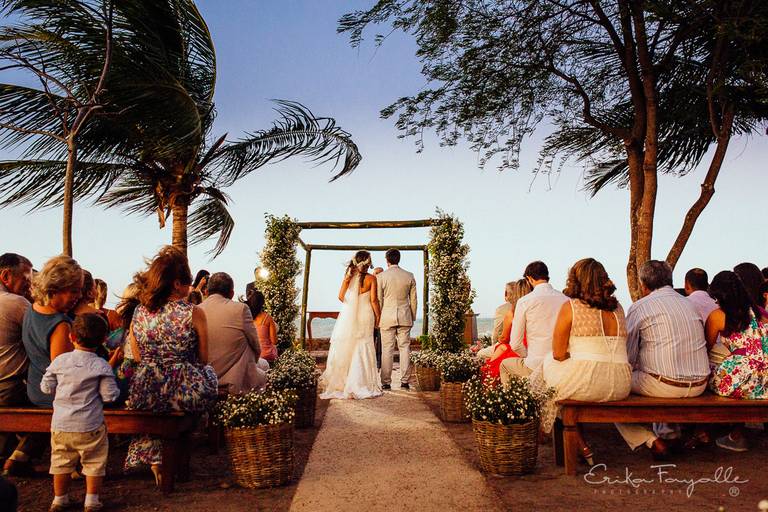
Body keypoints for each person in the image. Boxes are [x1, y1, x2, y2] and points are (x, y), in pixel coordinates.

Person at [124, 247, 217, 484]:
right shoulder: (194, 312)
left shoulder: (139, 312)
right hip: (182, 389)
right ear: (177, 284)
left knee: (159, 405)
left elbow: (136, 357)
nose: (189, 289)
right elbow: (204, 358)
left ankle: (155, 458)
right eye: (187, 283)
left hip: (145, 389)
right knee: (209, 376)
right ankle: (177, 455)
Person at [532, 259, 631, 464]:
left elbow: (559, 353)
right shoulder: (618, 308)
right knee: (554, 383)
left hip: (590, 381)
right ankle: (579, 443)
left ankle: (577, 444)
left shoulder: (572, 307)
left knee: (548, 371)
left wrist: (573, 357)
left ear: (576, 280)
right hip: (621, 383)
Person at [614, 260, 709, 459]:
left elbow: (628, 356)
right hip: (700, 383)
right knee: (660, 371)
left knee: (612, 386)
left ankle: (650, 440)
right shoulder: (689, 304)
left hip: (665, 385)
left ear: (643, 285)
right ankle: (669, 435)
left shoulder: (640, 306)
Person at [41, 313, 120, 512]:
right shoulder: (101, 365)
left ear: (71, 337)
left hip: (61, 425)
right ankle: (92, 501)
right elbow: (109, 396)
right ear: (103, 340)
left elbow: (46, 387)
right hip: (90, 425)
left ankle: (60, 499)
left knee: (60, 461)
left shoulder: (59, 361)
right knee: (94, 462)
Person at [705, 271, 768, 451]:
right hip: (764, 378)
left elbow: (705, 348)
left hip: (740, 378)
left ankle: (707, 431)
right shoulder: (758, 312)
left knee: (706, 377)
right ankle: (736, 433)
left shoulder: (718, 316)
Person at [0, 253, 42, 477]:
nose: (28, 286)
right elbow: (42, 335)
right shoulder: (15, 303)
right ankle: (20, 455)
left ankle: (11, 456)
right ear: (6, 276)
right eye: (26, 281)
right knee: (53, 404)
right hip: (9, 387)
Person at [22, 256, 83, 410]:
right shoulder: (60, 325)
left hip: (35, 390)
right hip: (53, 398)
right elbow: (64, 375)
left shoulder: (33, 308)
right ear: (55, 289)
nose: (79, 296)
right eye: (74, 291)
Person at [320, 251, 382, 399]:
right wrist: (378, 316)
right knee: (364, 345)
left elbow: (341, 296)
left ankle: (345, 381)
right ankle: (362, 383)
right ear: (367, 262)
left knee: (350, 344)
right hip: (366, 314)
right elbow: (374, 300)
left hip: (351, 314)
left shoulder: (348, 277)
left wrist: (353, 304)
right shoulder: (372, 279)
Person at [500, 261, 568, 383]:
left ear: (529, 279)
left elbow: (515, 343)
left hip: (534, 364)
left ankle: (512, 401)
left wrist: (529, 356)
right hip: (559, 364)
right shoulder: (566, 300)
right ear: (547, 277)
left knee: (504, 365)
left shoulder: (525, 301)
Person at [200, 273, 269, 394]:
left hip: (203, 378)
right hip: (234, 380)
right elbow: (256, 346)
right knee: (264, 366)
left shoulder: (197, 310)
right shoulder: (241, 309)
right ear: (231, 293)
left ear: (206, 291)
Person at [377, 249, 417, 391]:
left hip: (386, 317)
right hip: (404, 316)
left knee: (386, 349)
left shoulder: (381, 277)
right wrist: (412, 316)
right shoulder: (409, 276)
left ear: (387, 260)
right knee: (404, 348)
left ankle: (386, 382)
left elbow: (379, 300)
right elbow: (413, 300)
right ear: (399, 259)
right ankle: (405, 381)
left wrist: (378, 317)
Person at [481, 279, 532, 380]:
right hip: (532, 349)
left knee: (490, 357)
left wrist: (500, 342)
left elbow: (504, 338)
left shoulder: (512, 312)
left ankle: (492, 386)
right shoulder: (534, 310)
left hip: (517, 349)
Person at [244, 290, 278, 363]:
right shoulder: (267, 318)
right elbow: (274, 341)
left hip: (252, 356)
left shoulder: (247, 317)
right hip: (267, 355)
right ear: (262, 303)